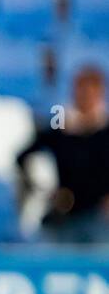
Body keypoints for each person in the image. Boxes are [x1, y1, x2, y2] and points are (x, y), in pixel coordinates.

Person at [17, 64, 109, 244]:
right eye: (81, 90)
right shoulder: (60, 124)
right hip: (65, 214)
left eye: (92, 92)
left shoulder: (106, 130)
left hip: (99, 218)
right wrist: (42, 189)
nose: (86, 97)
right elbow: (24, 155)